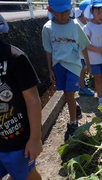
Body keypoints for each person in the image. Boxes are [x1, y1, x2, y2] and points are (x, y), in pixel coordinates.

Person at [0, 14, 42, 180]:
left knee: (28, 175)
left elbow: (33, 100)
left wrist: (35, 139)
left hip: (19, 142)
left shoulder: (15, 57)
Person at [42, 0, 91, 142]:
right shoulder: (48, 28)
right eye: (59, 12)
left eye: (66, 11)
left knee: (69, 93)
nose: (63, 15)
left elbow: (83, 46)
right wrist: (50, 69)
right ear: (50, 10)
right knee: (66, 94)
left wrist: (88, 65)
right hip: (58, 65)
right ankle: (74, 106)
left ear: (70, 9)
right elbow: (48, 50)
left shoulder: (75, 25)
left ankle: (73, 123)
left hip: (74, 66)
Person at [83, 0, 102, 106]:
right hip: (94, 59)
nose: (101, 16)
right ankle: (100, 97)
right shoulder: (88, 27)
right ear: (92, 11)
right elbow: (86, 44)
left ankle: (101, 93)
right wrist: (98, 50)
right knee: (98, 77)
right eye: (98, 12)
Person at [75, 0, 95, 97]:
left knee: (82, 68)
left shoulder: (84, 23)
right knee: (81, 68)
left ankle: (81, 84)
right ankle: (82, 88)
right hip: (76, 54)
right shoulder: (77, 24)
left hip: (81, 53)